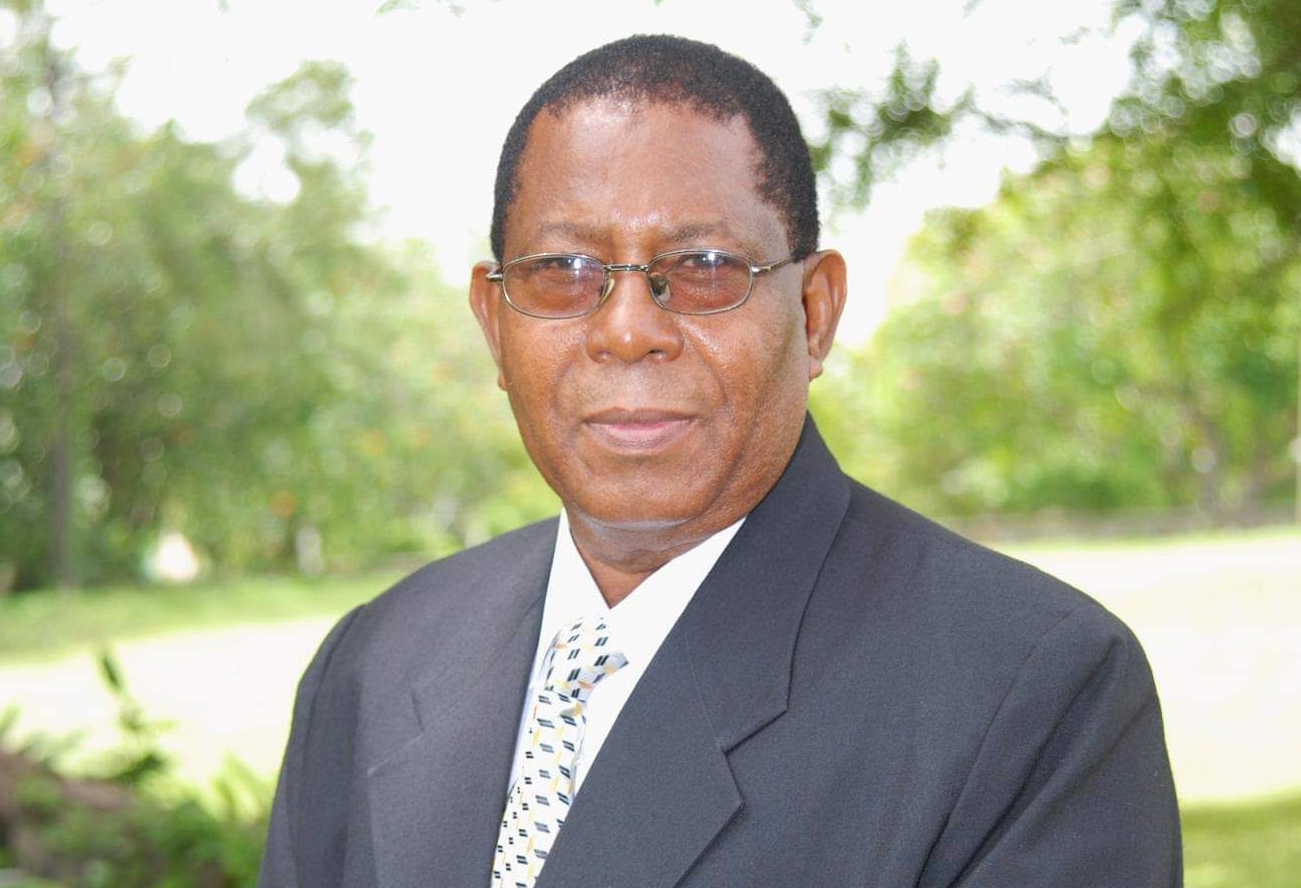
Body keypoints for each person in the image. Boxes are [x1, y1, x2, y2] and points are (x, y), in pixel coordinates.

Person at [257, 35, 1181, 888]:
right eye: (564, 272)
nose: (627, 330)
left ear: (813, 313)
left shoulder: (1030, 691)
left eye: (703, 267)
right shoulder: (374, 663)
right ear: (495, 325)